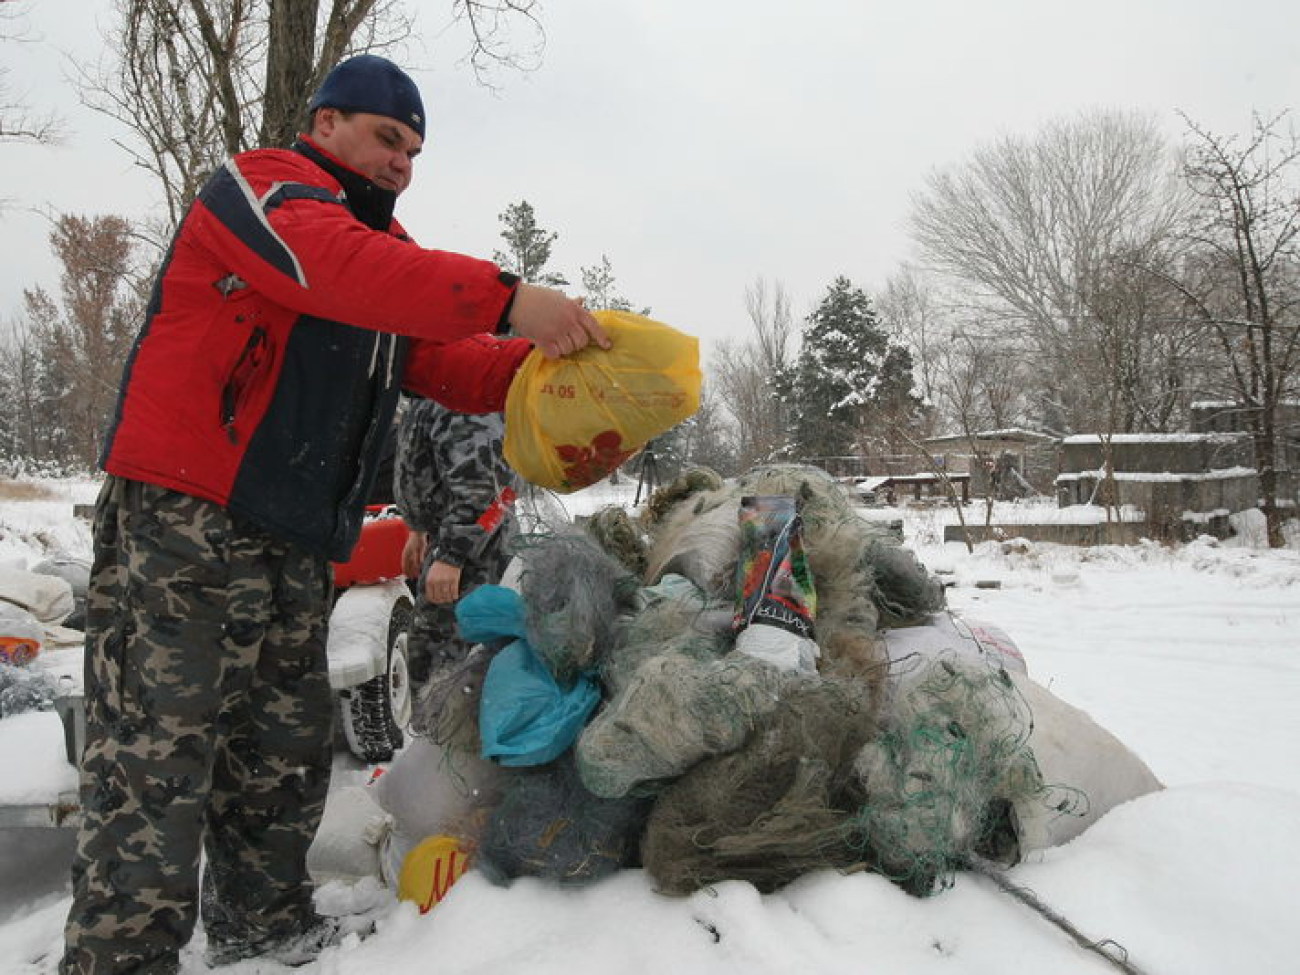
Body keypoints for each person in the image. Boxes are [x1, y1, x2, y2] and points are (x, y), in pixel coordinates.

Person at [61, 54, 609, 975]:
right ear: (324, 124)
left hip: (295, 539)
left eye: (416, 151)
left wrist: (575, 381)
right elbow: (345, 268)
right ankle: (120, 955)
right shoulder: (263, 194)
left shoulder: (378, 263)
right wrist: (514, 297)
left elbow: (457, 361)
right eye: (389, 138)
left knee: (278, 749)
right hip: (187, 520)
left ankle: (262, 924)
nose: (403, 162)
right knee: (160, 750)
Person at [393, 398, 518, 693]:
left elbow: (490, 486)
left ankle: (453, 737)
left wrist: (453, 555)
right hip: (454, 542)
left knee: (456, 672)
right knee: (437, 665)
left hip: (476, 555)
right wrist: (417, 529)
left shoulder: (462, 394)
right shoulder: (433, 392)